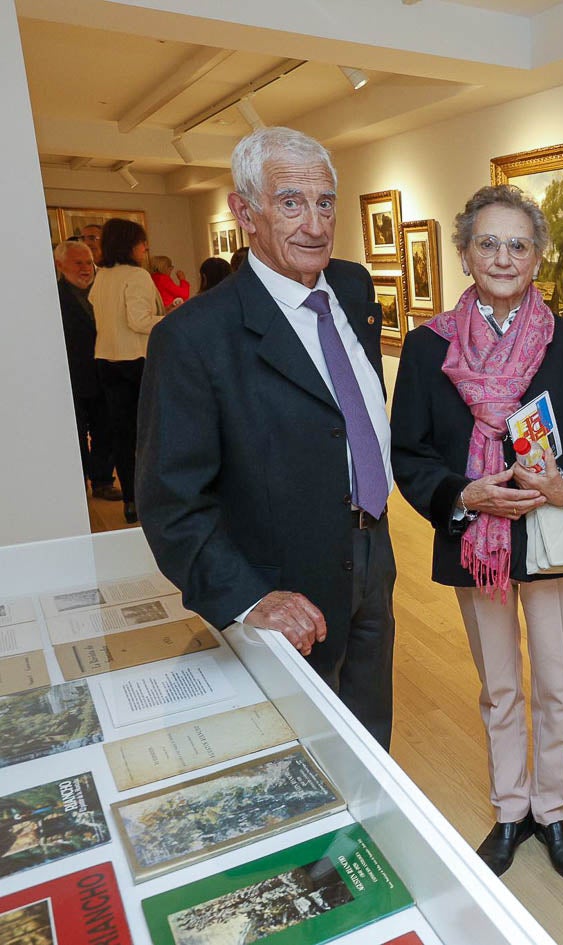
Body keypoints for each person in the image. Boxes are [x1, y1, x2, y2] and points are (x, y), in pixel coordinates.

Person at [136, 126, 398, 748]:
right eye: (290, 202)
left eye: (325, 201)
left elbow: (346, 414)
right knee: (294, 753)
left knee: (368, 735)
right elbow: (172, 502)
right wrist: (251, 598)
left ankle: (363, 843)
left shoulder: (355, 290)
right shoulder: (196, 338)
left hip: (372, 555)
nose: (315, 223)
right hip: (282, 580)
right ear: (244, 212)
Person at [391, 184, 563, 882]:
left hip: (552, 540)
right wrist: (464, 492)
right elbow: (409, 453)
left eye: (517, 243)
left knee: (554, 684)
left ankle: (552, 811)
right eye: (487, 242)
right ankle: (509, 808)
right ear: (464, 253)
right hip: (475, 542)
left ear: (537, 258)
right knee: (499, 688)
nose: (502, 255)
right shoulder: (428, 346)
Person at [91, 218, 164, 524]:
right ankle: (152, 499)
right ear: (129, 244)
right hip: (135, 361)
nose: (145, 247)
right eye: (141, 241)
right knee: (149, 434)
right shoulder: (136, 276)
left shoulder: (103, 275)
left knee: (122, 436)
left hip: (105, 359)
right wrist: (170, 318)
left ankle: (132, 501)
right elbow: (139, 320)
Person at [54, 240, 120, 502]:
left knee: (106, 429)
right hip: (71, 375)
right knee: (76, 435)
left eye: (88, 262)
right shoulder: (53, 296)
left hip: (105, 371)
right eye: (78, 263)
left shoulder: (104, 290)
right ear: (60, 265)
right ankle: (77, 485)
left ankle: (103, 481)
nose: (85, 268)